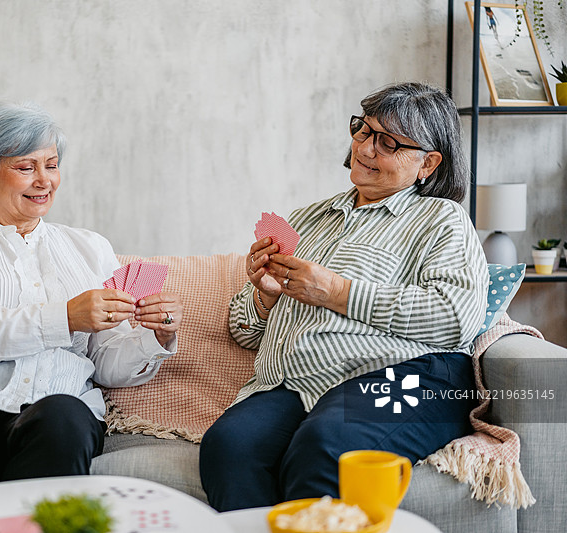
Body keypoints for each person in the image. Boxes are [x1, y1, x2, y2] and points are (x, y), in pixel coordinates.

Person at [199, 82, 488, 512]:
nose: (366, 149)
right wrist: (266, 297)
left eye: (387, 142)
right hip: (296, 382)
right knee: (228, 448)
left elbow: (455, 317)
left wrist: (337, 292)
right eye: (363, 130)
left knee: (327, 447)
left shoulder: (440, 219)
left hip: (411, 374)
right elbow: (244, 331)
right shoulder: (307, 219)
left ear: (427, 162)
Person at [0, 101, 183, 485]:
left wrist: (156, 336)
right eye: (26, 168)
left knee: (64, 427)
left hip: (55, 401)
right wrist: (66, 317)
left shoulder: (91, 248)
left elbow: (106, 364)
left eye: (52, 165)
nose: (45, 180)